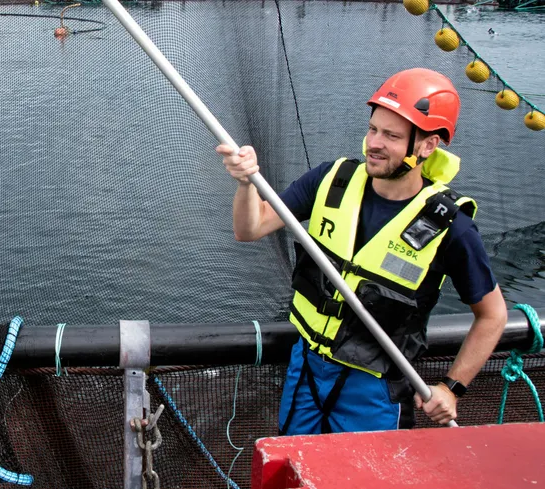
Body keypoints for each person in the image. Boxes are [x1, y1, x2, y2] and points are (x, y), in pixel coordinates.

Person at [216, 68, 507, 434]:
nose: (375, 143)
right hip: (307, 366)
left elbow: (493, 315)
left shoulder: (451, 226)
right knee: (292, 466)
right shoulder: (331, 180)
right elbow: (250, 228)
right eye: (373, 129)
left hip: (375, 386)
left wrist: (452, 388)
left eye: (391, 135)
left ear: (427, 146)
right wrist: (246, 184)